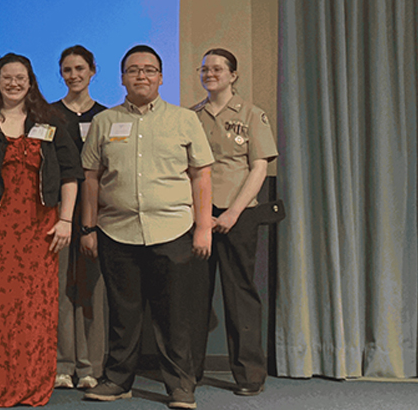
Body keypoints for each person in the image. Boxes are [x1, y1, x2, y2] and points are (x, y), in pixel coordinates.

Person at [78, 45, 214, 410]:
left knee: (174, 316)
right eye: (133, 70)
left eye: (149, 70)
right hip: (116, 231)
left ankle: (180, 386)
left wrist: (203, 227)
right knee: (123, 316)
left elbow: (201, 175)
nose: (141, 75)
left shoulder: (184, 119)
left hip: (172, 231)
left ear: (161, 78)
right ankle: (117, 381)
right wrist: (88, 228)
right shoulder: (104, 122)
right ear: (122, 78)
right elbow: (91, 178)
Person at [0, 53, 81, 407]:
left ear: (30, 82)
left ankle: (32, 384)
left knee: (34, 310)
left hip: (40, 231)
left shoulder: (51, 122)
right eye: (7, 77)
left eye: (20, 78)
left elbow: (70, 174)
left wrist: (66, 220)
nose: (13, 83)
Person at [189, 47, 277, 397]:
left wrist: (232, 213)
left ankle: (249, 375)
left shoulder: (252, 114)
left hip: (237, 215)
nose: (210, 74)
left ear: (233, 75)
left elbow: (259, 168)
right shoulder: (191, 116)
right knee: (194, 296)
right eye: (205, 69)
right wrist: (200, 216)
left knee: (241, 296)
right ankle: (188, 372)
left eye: (217, 69)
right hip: (198, 217)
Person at [49, 45, 108, 390]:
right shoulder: (49, 115)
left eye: (80, 69)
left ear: (92, 71)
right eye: (67, 70)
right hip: (57, 212)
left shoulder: (106, 117)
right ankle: (62, 364)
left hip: (96, 214)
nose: (74, 75)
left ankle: (90, 366)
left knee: (91, 290)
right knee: (58, 288)